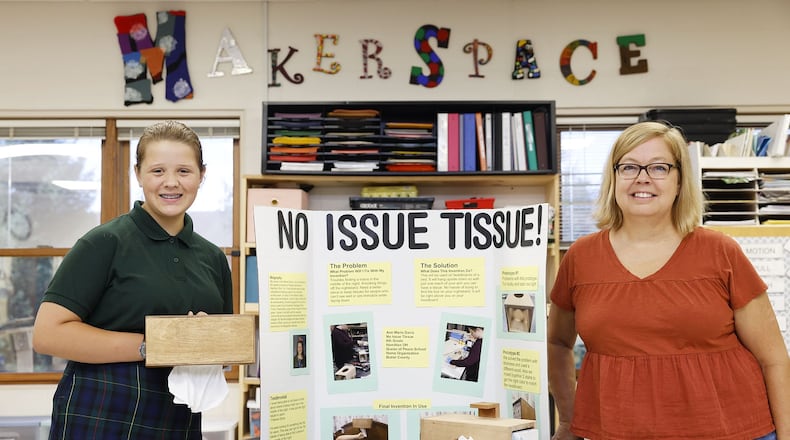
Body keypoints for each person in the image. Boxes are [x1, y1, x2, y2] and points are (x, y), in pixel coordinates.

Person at [547, 121, 789, 440]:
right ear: (614, 178)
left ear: (678, 181)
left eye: (659, 167)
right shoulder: (581, 257)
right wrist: (568, 420)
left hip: (733, 429)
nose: (642, 177)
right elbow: (557, 343)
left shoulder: (720, 251)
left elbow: (773, 358)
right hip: (620, 431)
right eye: (629, 167)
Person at [32, 120, 233, 439]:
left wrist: (204, 340)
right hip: (100, 409)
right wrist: (152, 345)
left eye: (184, 171)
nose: (171, 183)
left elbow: (223, 353)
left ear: (201, 175)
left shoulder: (212, 258)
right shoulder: (104, 243)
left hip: (177, 416)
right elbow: (47, 335)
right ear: (138, 174)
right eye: (157, 171)